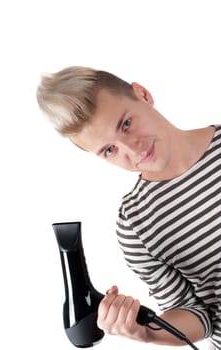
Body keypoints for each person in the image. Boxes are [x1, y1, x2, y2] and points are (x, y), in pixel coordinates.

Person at [36, 66, 221, 349]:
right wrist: (143, 331)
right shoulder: (136, 223)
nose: (133, 150)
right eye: (109, 150)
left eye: (126, 124)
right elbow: (197, 314)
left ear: (143, 94)